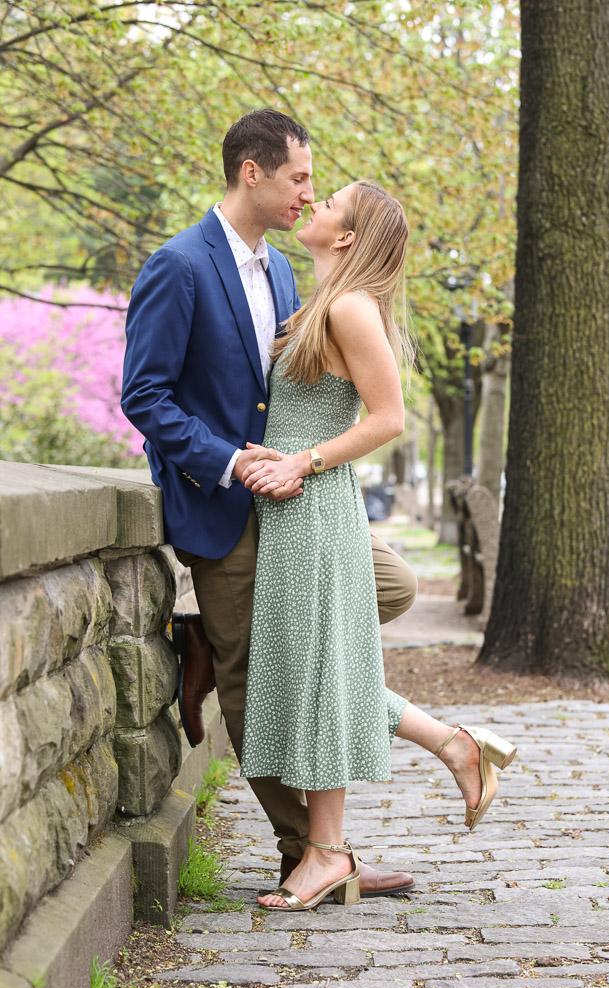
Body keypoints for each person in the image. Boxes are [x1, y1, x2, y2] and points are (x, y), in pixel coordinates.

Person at [121, 109, 418, 898]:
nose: (306, 194)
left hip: (297, 502)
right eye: (297, 179)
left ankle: (202, 647)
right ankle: (312, 854)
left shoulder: (286, 271)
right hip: (221, 502)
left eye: (315, 186)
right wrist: (227, 461)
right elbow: (145, 395)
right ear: (251, 172)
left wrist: (299, 463)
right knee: (257, 679)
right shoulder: (179, 264)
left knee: (379, 596)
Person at [238, 179, 517, 911]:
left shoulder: (352, 307)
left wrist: (301, 460)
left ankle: (327, 853)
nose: (314, 205)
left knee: (318, 672)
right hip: (291, 507)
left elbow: (388, 418)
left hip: (313, 505)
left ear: (348, 237)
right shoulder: (319, 301)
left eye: (328, 202)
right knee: (312, 669)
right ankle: (456, 747)